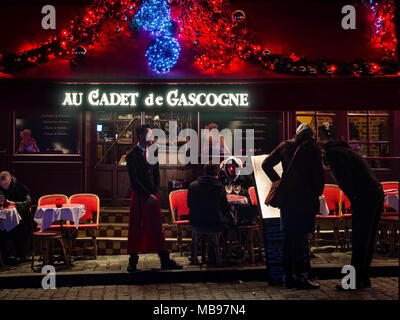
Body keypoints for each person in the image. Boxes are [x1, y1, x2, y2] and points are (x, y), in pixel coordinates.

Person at [262, 123, 324, 289]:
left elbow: (266, 164)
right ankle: (302, 276)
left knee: (288, 239)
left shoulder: (285, 146)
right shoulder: (313, 150)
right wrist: (317, 191)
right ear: (310, 137)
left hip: (288, 200)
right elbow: (319, 177)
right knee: (301, 239)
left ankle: (288, 276)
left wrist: (279, 181)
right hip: (305, 200)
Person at [322, 141, 384, 290]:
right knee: (368, 238)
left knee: (359, 239)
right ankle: (364, 278)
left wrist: (354, 197)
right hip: (376, 193)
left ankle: (353, 282)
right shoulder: (350, 153)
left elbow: (345, 178)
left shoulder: (333, 154)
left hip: (364, 196)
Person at [126, 125, 182, 272]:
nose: (152, 138)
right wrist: (147, 194)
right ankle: (133, 262)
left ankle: (165, 260)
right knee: (136, 227)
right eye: (149, 135)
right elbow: (134, 179)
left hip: (152, 195)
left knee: (157, 228)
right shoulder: (131, 155)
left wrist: (154, 192)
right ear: (140, 136)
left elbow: (157, 175)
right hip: (139, 195)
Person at [187, 163, 233, 264]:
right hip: (214, 223)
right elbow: (225, 207)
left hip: (197, 221)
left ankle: (193, 254)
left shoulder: (193, 185)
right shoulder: (219, 187)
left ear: (205, 172)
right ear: (217, 173)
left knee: (198, 227)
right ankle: (221, 254)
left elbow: (189, 205)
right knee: (229, 224)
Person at [0, 171, 33, 265]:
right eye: (2, 185)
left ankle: (20, 256)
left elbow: (28, 202)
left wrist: (15, 204)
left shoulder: (20, 187)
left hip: (22, 218)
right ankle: (4, 257)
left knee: (19, 230)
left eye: (6, 184)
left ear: (10, 179)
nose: (4, 187)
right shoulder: (0, 188)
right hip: (3, 217)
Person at [218, 156, 258, 225]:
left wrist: (242, 169)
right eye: (229, 167)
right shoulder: (224, 178)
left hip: (244, 213)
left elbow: (251, 189)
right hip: (229, 210)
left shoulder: (244, 177)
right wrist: (220, 170)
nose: (231, 169)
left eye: (233, 167)